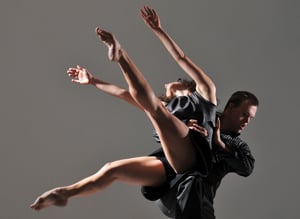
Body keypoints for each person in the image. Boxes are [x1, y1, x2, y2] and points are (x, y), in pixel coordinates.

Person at [30, 5, 218, 211]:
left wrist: (158, 30)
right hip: (169, 163)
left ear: (185, 84)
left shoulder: (205, 94)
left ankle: (121, 56)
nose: (165, 85)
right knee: (112, 169)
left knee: (154, 109)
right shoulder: (165, 106)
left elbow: (181, 58)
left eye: (171, 83)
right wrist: (93, 81)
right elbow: (124, 94)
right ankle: (65, 193)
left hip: (194, 157)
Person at [144, 91, 258, 218]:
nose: (247, 121)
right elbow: (158, 132)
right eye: (244, 114)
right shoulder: (204, 115)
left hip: (197, 202)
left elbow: (247, 168)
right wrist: (185, 126)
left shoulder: (237, 145)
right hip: (169, 189)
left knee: (196, 181)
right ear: (231, 107)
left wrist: (220, 145)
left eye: (250, 118)